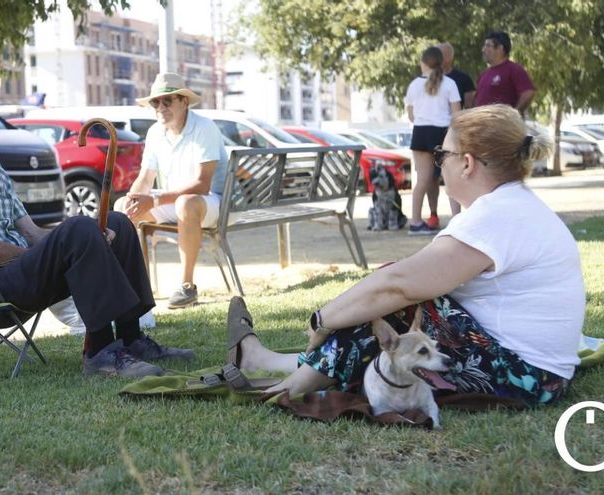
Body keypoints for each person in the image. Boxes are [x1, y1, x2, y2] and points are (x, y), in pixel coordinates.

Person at [227, 104, 584, 409]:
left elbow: (397, 287)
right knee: (393, 295)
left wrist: (323, 320)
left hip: (529, 381)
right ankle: (274, 364)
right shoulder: (511, 206)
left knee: (395, 303)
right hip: (538, 376)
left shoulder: (494, 216)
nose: (439, 164)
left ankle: (289, 386)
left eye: (443, 155)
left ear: (468, 163)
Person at [0, 72, 193, 379]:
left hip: (13, 275)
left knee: (117, 222)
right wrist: (52, 255)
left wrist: (69, 247)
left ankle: (132, 339)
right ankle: (100, 354)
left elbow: (32, 233)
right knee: (79, 229)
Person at [115, 72, 228, 309]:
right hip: (175, 201)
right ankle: (134, 286)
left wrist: (153, 202)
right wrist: (133, 199)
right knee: (121, 208)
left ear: (184, 101)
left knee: (185, 204)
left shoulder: (204, 127)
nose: (160, 107)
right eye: (155, 102)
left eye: (167, 100)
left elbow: (202, 184)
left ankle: (187, 287)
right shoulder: (155, 132)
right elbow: (145, 178)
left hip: (213, 202)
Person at [404, 46, 461, 235]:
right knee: (450, 177)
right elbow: (457, 114)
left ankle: (415, 222)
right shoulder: (450, 84)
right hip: (442, 133)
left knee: (423, 180)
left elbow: (411, 115)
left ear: (423, 62)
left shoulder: (413, 85)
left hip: (420, 132)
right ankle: (456, 220)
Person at [425, 42, 475, 229]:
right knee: (430, 177)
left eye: (442, 54)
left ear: (450, 57)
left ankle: (457, 217)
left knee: (453, 172)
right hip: (430, 133)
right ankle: (433, 214)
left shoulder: (460, 79)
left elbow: (468, 105)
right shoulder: (424, 81)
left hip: (453, 131)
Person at [473, 31, 535, 116]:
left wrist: (514, 114)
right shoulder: (484, 74)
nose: (483, 49)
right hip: (482, 125)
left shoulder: (514, 70)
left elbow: (528, 93)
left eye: (487, 46)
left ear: (500, 48)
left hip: (502, 127)